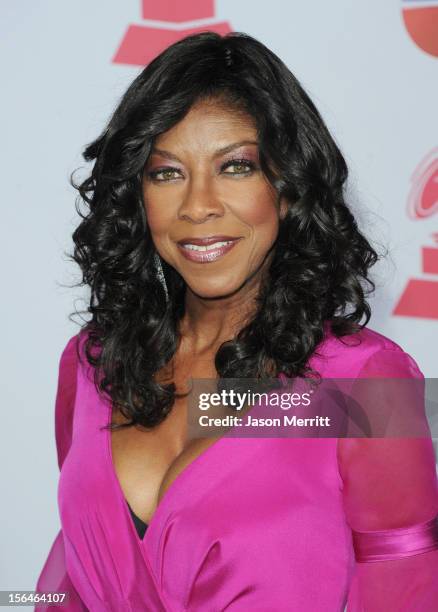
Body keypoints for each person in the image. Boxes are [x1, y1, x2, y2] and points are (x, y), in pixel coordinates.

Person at [35, 31, 438, 611]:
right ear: (136, 194)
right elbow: (68, 579)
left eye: (235, 167)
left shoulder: (365, 383)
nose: (198, 205)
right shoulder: (93, 364)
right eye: (166, 172)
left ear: (289, 189)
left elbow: (409, 592)